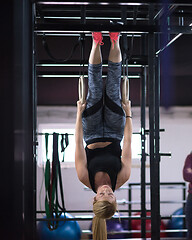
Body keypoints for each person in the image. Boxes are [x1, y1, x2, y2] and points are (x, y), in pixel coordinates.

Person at [75, 32, 132, 240]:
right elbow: (128, 143)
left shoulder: (84, 177)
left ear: (94, 198)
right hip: (116, 130)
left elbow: (77, 144)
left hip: (90, 132)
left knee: (96, 87)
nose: (107, 191)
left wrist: (79, 114)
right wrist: (128, 113)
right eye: (110, 195)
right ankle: (115, 40)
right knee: (114, 85)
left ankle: (96, 42)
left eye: (102, 194)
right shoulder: (123, 177)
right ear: (115, 199)